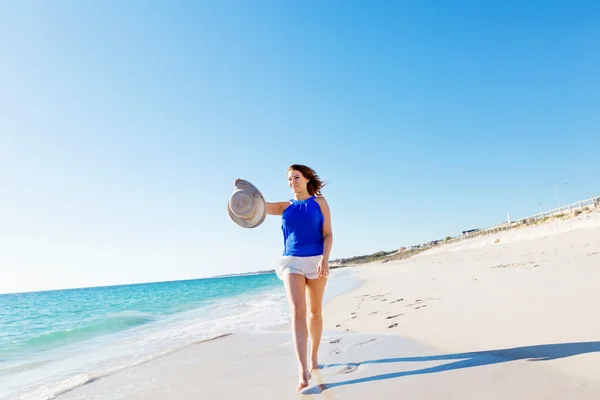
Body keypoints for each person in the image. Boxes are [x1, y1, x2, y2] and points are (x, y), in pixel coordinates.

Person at [235, 164, 333, 392]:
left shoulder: (320, 203)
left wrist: (325, 259)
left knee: (314, 312)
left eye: (296, 177)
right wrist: (241, 192)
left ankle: (314, 357)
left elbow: (328, 234)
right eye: (289, 179)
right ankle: (302, 369)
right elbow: (254, 208)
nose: (292, 182)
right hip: (292, 262)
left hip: (317, 259)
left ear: (307, 179)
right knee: (297, 312)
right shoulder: (284, 207)